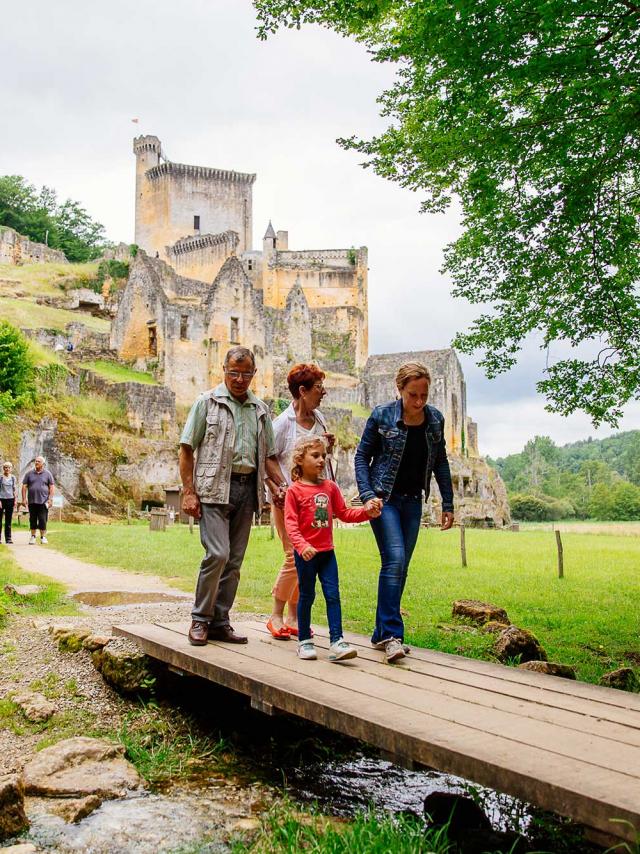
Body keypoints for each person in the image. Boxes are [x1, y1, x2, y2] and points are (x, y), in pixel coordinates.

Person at [180, 346, 288, 646]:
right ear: (223, 371)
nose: (239, 379)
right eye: (233, 372)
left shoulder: (261, 410)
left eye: (245, 373)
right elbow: (187, 448)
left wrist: (282, 486)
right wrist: (188, 492)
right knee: (218, 554)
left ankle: (220, 621)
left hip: (246, 490)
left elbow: (267, 457)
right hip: (213, 488)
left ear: (254, 374)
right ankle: (200, 619)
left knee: (234, 562)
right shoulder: (206, 402)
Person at [354, 362, 454, 664]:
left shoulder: (435, 419)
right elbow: (361, 456)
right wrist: (368, 494)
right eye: (413, 395)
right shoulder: (382, 415)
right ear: (400, 390)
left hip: (413, 501)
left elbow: (440, 462)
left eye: (424, 394)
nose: (419, 401)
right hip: (383, 500)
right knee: (395, 559)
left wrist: (448, 503)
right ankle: (391, 636)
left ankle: (381, 631)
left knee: (401, 566)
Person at [284, 436, 382, 662]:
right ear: (300, 459)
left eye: (323, 456)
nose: (321, 460)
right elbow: (291, 524)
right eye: (315, 455)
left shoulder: (330, 487)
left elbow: (345, 513)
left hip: (327, 553)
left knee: (333, 595)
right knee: (306, 596)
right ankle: (304, 642)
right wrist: (302, 546)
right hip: (306, 555)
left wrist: (367, 512)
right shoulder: (294, 492)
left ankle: (337, 641)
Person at [267, 363, 335, 639]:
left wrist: (327, 445)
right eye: (319, 388)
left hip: (315, 504)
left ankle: (294, 616)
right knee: (293, 558)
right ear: (303, 391)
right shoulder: (283, 423)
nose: (324, 393)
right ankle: (275, 614)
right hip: (289, 502)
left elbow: (315, 455)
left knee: (307, 560)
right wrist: (281, 487)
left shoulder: (319, 419)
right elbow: (268, 457)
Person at [21, 456, 55, 545]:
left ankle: (43, 537)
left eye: (38, 461)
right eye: (36, 461)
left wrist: (50, 499)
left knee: (43, 519)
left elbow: (51, 487)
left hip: (43, 501)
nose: (36, 463)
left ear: (43, 464)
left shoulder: (48, 474)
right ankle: (32, 537)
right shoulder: (29, 474)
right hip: (32, 501)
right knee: (32, 519)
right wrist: (24, 499)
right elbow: (24, 486)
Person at [0, 461, 18, 544]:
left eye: (8, 467)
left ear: (11, 469)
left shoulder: (13, 478)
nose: (7, 469)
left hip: (10, 499)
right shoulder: (0, 477)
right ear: (3, 468)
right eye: (5, 467)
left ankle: (8, 538)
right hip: (1, 500)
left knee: (8, 520)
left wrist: (15, 500)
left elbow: (14, 489)